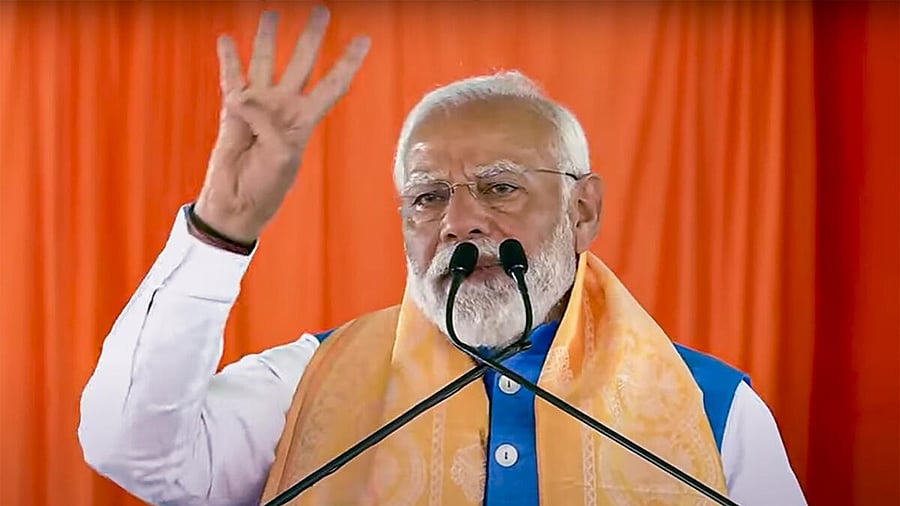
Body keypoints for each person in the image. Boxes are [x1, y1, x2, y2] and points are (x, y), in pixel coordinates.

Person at [78, 7, 806, 506]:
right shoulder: (311, 381)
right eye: (428, 197)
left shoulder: (714, 413)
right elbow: (133, 451)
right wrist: (222, 226)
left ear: (583, 210)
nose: (460, 221)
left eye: (499, 187)